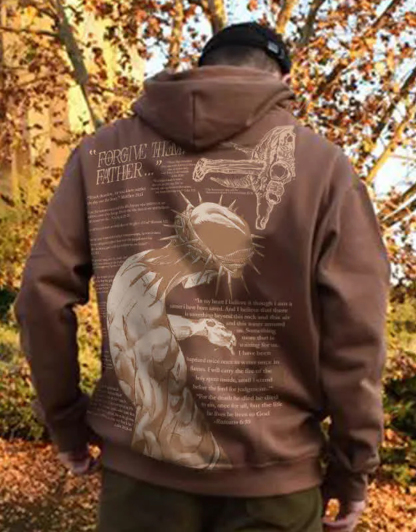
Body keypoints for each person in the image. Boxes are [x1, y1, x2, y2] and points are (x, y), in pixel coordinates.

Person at [15, 22, 390, 532]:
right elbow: (357, 334)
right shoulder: (325, 169)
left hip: (140, 484)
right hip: (275, 485)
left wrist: (65, 423)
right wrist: (352, 468)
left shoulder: (100, 154)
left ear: (203, 68)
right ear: (282, 82)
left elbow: (40, 297)